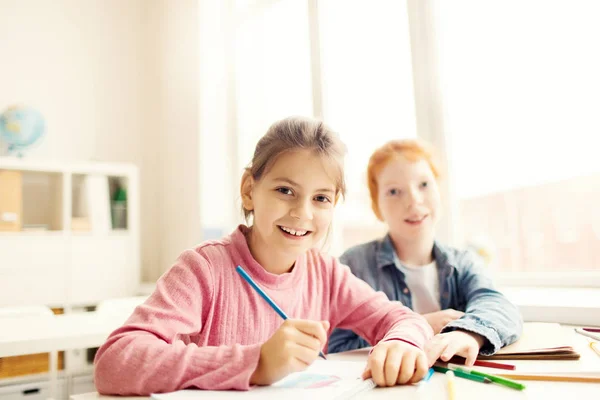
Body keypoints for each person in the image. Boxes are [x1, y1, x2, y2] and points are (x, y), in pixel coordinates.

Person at [93, 117, 433, 395]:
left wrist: (401, 343)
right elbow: (115, 361)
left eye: (321, 198)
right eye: (285, 191)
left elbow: (405, 320)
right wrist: (256, 363)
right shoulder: (204, 269)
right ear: (249, 189)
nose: (302, 213)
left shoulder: (325, 273)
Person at [328, 139, 522, 367]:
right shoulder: (354, 266)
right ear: (376, 207)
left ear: (439, 191)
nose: (413, 200)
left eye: (423, 185)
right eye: (394, 191)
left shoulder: (463, 262)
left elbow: (499, 306)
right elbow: (336, 346)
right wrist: (417, 327)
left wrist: (468, 334)